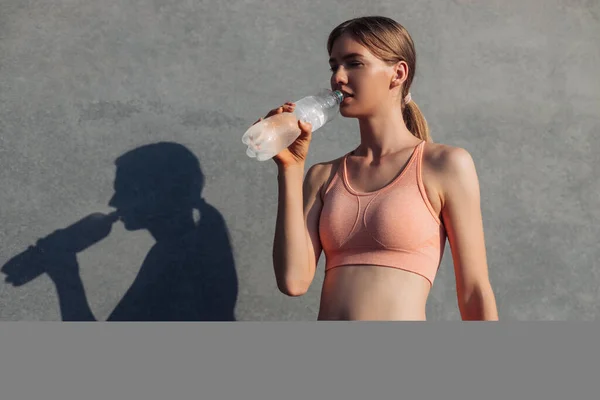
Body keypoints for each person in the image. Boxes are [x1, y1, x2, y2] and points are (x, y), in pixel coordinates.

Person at [253, 16, 498, 321]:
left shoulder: (444, 165)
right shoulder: (322, 176)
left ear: (398, 73)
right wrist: (290, 168)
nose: (338, 78)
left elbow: (474, 290)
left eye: (354, 63)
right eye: (334, 66)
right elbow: (294, 281)